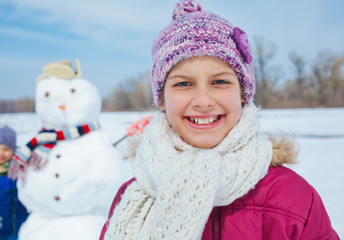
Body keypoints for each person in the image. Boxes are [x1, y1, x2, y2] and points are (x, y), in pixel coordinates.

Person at [100, 1, 340, 239]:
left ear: (243, 94)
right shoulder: (133, 195)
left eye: (220, 82)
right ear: (162, 99)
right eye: (183, 84)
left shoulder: (291, 196)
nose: (203, 101)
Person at [0, 126, 28, 240]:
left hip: (17, 230)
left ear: (13, 151)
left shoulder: (19, 169)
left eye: (6, 149)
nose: (0, 153)